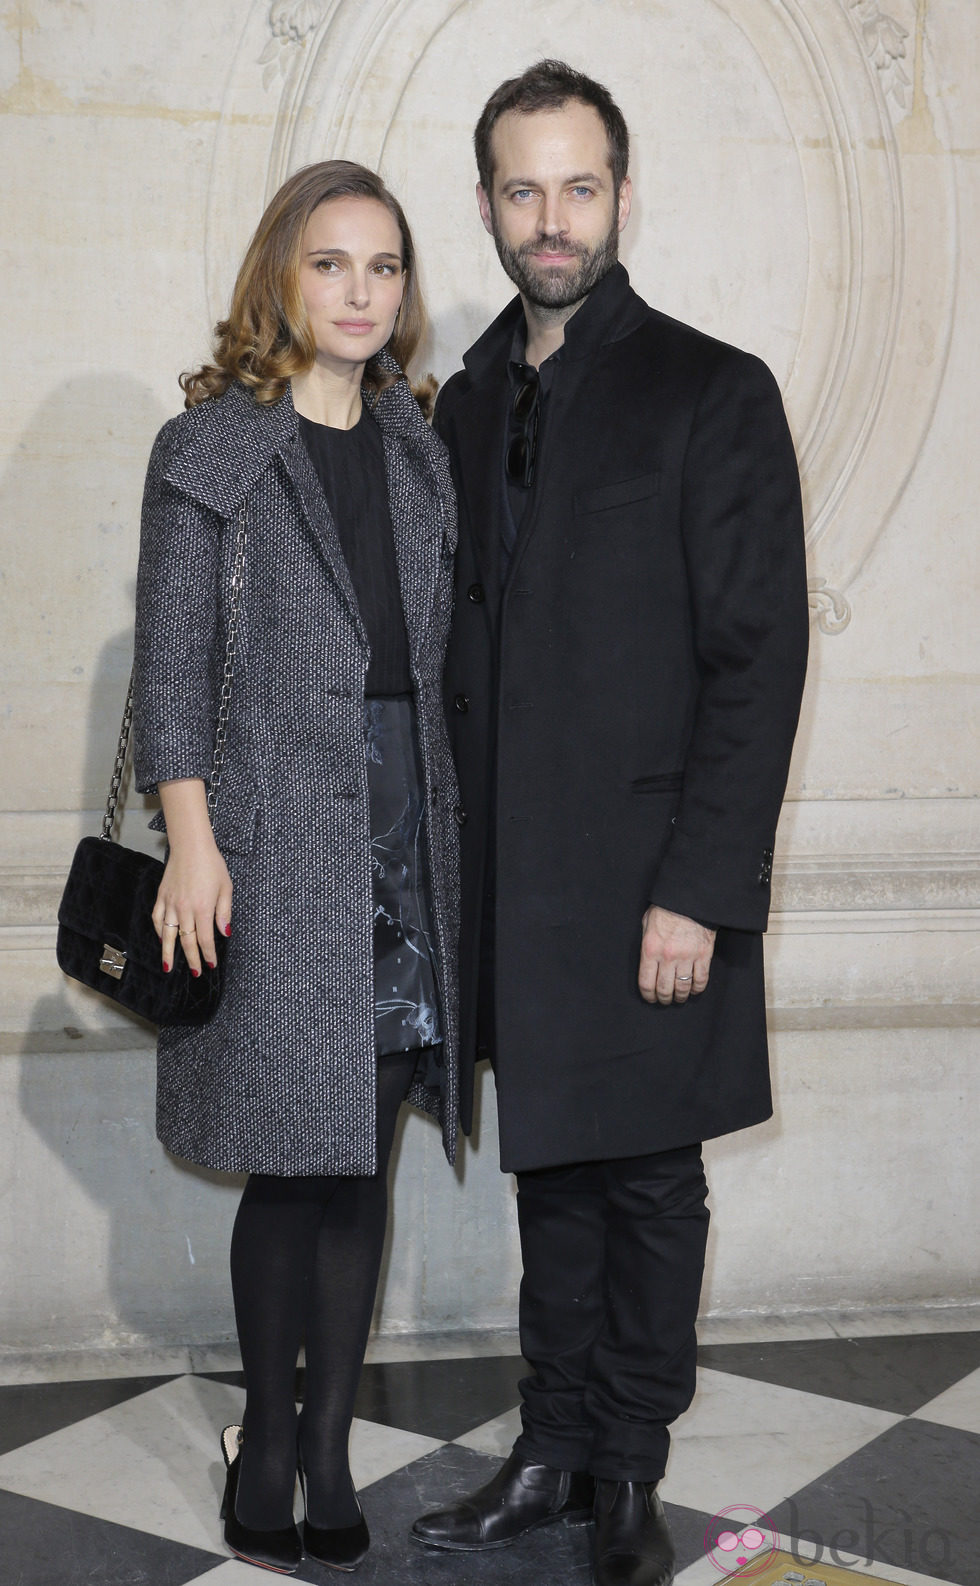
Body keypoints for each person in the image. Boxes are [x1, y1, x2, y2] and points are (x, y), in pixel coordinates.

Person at [411, 61, 809, 1586]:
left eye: (580, 187)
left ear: (623, 197)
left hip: (652, 884)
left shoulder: (716, 389)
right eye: (523, 189)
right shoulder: (464, 402)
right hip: (517, 884)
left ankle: (626, 1464)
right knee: (552, 1172)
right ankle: (553, 1441)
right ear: (491, 206)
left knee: (647, 1179)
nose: (552, 218)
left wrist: (699, 891)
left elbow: (756, 663)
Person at [132, 160, 460, 1576]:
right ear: (282, 275)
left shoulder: (417, 447)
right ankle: (270, 1440)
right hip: (270, 846)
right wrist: (193, 840)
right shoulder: (208, 449)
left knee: (363, 1154)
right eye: (331, 264)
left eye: (382, 267)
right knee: (291, 1156)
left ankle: (331, 1444)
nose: (358, 293)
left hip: (403, 832)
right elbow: (168, 669)